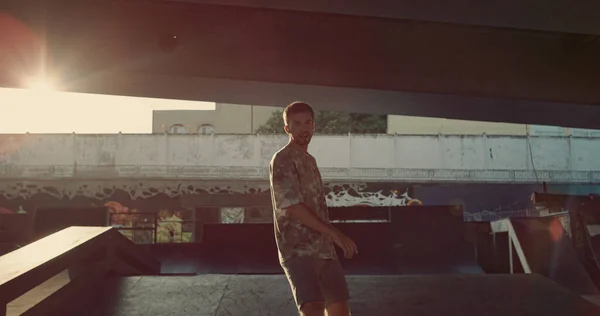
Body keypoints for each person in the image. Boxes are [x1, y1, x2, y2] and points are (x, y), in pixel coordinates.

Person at [269, 101, 358, 316]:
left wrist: (329, 239)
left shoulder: (310, 160)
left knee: (340, 310)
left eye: (307, 122)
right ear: (287, 128)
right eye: (297, 124)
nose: (304, 128)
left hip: (324, 250)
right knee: (314, 309)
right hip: (299, 250)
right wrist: (334, 234)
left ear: (313, 126)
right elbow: (292, 206)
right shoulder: (282, 159)